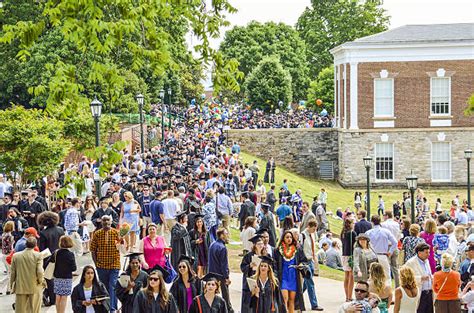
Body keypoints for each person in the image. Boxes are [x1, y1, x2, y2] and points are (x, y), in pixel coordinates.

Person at [90, 215, 121, 313]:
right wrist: (96, 264)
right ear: (101, 222)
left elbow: (123, 248)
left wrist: (123, 241)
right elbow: (93, 250)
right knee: (105, 287)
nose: (106, 222)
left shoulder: (117, 233)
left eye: (108, 220)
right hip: (101, 266)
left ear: (111, 222)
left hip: (114, 265)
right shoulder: (97, 234)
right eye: (104, 220)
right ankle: (108, 307)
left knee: (113, 285)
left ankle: (112, 308)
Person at [37, 211, 65, 306]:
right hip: (60, 257)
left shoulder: (43, 233)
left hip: (48, 259)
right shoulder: (61, 230)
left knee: (49, 279)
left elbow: (42, 249)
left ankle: (52, 299)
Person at [9, 237, 44, 313]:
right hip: (34, 285)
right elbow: (40, 271)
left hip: (20, 286)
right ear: (35, 245)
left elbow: (12, 273)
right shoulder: (38, 255)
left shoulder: (16, 256)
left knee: (20, 310)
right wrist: (41, 281)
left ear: (25, 244)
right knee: (35, 309)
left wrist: (11, 285)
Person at [274, 230, 306, 313]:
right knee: (284, 299)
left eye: (290, 237)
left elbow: (304, 260)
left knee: (292, 300)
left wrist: (301, 264)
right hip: (283, 276)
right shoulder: (278, 250)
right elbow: (275, 263)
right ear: (283, 238)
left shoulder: (297, 249)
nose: (289, 239)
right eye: (287, 237)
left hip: (293, 277)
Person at [366, 215, 397, 286]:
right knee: (386, 276)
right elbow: (395, 242)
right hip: (383, 255)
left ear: (372, 222)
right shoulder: (386, 231)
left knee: (372, 276)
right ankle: (387, 291)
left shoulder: (368, 232)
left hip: (372, 255)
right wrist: (390, 251)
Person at [208, 228, 233, 313]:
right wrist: (226, 277)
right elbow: (224, 264)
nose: (228, 235)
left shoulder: (212, 244)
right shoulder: (222, 248)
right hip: (220, 274)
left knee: (212, 292)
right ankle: (228, 309)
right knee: (225, 293)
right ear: (221, 235)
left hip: (211, 273)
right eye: (226, 234)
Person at [240, 235, 267, 313]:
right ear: (254, 245)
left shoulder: (265, 256)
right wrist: (249, 266)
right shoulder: (248, 256)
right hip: (250, 283)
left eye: (262, 243)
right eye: (258, 244)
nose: (261, 245)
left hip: (262, 282)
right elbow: (242, 267)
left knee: (261, 303)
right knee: (250, 305)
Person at [300, 220, 324, 311]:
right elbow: (300, 248)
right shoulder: (303, 235)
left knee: (307, 283)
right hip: (305, 261)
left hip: (311, 260)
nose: (314, 231)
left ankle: (297, 296)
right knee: (310, 283)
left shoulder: (312, 235)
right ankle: (314, 304)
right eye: (313, 229)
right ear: (309, 226)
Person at [405, 243, 433, 313]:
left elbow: (429, 274)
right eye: (426, 252)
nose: (428, 254)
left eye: (429, 252)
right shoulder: (410, 263)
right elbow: (407, 278)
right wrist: (420, 278)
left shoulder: (427, 261)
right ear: (419, 253)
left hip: (429, 293)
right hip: (419, 294)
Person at [51, 235, 77, 313]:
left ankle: (58, 311)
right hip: (67, 278)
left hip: (57, 277)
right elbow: (74, 268)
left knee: (58, 296)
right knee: (64, 297)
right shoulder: (70, 254)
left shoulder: (56, 252)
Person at [381, 211, 401, 288]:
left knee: (386, 268)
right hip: (394, 246)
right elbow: (399, 236)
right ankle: (397, 286)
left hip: (387, 247)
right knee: (395, 268)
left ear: (386, 216)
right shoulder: (396, 224)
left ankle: (387, 286)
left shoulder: (383, 224)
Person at [341, 218, 356, 302]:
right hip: (351, 255)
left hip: (344, 255)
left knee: (346, 276)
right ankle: (349, 296)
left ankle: (347, 296)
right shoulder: (352, 233)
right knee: (351, 277)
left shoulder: (343, 232)